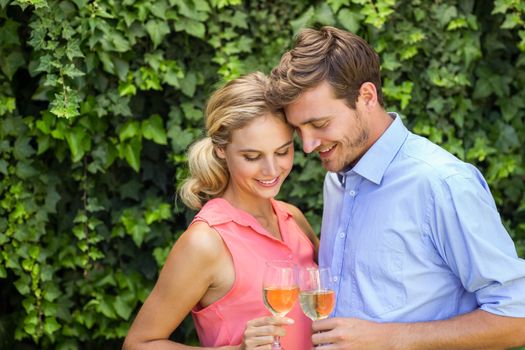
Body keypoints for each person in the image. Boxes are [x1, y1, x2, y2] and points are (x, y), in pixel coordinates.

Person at [266, 26, 525, 349]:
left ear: (367, 97)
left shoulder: (442, 183)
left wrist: (390, 338)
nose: (307, 145)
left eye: (319, 124)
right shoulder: (337, 177)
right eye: (298, 129)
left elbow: (518, 316)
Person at [123, 72, 318, 349]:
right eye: (252, 157)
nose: (272, 170)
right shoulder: (205, 242)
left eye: (283, 151)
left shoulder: (292, 217)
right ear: (221, 150)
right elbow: (139, 344)